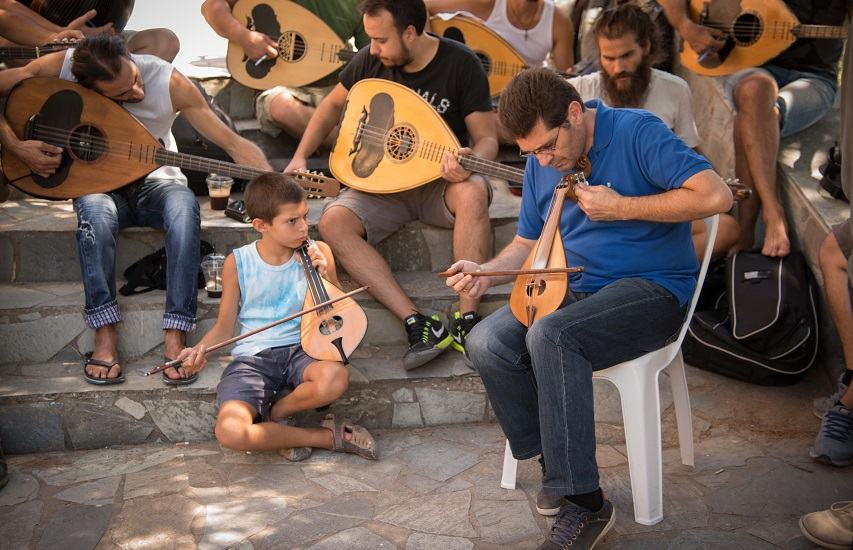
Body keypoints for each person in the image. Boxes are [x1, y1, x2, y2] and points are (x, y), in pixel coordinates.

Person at [445, 67, 731, 548]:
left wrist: (623, 208)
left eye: (547, 146)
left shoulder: (637, 131)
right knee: (486, 341)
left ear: (575, 113)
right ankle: (555, 465)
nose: (542, 159)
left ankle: (585, 503)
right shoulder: (544, 158)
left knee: (552, 335)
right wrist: (486, 268)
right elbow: (527, 240)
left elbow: (715, 195)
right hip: (572, 290)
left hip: (652, 289)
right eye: (531, 151)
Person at [0, 34, 271, 385]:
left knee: (184, 206)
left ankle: (176, 332)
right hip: (97, 186)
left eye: (134, 80)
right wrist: (15, 146)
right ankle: (105, 332)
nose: (138, 94)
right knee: (94, 213)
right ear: (89, 88)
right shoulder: (63, 67)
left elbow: (232, 143)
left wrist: (276, 185)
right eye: (123, 95)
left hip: (157, 182)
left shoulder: (168, 81)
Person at [285, 0, 498, 369]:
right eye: (370, 39)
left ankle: (467, 319)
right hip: (381, 185)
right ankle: (418, 321)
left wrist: (468, 161)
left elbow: (488, 139)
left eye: (381, 39)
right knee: (334, 221)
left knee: (475, 190)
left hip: (439, 185)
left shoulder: (461, 63)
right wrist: (300, 157)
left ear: (411, 32)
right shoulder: (370, 59)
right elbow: (330, 107)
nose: (374, 48)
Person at [174, 173, 377, 462]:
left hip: (305, 349)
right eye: (292, 221)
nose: (304, 227)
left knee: (334, 377)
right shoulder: (239, 262)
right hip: (253, 357)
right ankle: (325, 437)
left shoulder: (320, 252)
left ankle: (277, 412)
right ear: (261, 225)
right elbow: (223, 327)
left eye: (305, 216)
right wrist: (199, 351)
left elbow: (340, 312)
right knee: (230, 431)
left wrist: (327, 275)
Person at [664, 0, 849, 257]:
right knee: (754, 90)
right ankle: (771, 215)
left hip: (815, 78)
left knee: (748, 119)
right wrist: (687, 27)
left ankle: (747, 229)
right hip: (752, 66)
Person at [567, 2, 739, 258]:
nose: (617, 68)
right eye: (608, 58)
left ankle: (647, 265)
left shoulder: (675, 89)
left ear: (646, 47)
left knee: (727, 229)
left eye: (626, 56)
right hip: (597, 215)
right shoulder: (579, 92)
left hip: (652, 210)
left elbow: (688, 152)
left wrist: (711, 182)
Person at [201, 0, 368, 146]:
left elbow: (373, 52)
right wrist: (244, 37)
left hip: (337, 83)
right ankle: (353, 147)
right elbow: (212, 7)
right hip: (282, 85)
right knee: (282, 108)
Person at [0, 0, 180, 62]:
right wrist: (61, 33)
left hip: (100, 42)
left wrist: (99, 36)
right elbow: (6, 7)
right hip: (40, 38)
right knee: (4, 42)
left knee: (164, 42)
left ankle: (110, 107)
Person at [424, 0, 574, 72]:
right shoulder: (487, 4)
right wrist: (431, 56)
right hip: (474, 100)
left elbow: (568, 78)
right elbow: (422, 5)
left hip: (523, 103)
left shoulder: (559, 23)